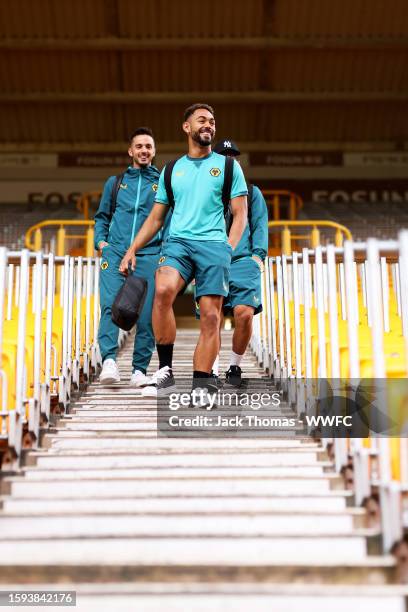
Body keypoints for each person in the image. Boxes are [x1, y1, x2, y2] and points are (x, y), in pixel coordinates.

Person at [119, 104, 248, 396]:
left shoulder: (229, 167)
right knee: (163, 291)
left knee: (211, 317)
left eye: (213, 122)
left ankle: (202, 383)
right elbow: (156, 217)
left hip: (214, 245)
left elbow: (241, 215)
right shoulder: (172, 169)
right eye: (202, 120)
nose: (209, 126)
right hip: (177, 242)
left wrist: (228, 249)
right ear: (186, 127)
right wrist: (132, 249)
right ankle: (165, 372)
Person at [95, 127, 165, 388]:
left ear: (154, 151)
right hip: (114, 252)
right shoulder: (114, 183)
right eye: (139, 146)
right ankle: (109, 361)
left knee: (147, 315)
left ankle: (139, 370)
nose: (144, 150)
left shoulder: (162, 184)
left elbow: (165, 222)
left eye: (148, 146)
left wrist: (163, 252)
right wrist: (101, 243)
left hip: (148, 254)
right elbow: (102, 216)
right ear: (130, 151)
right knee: (110, 306)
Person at [205, 139, 268, 387]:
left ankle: (234, 366)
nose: (230, 159)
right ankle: (211, 370)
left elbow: (260, 225)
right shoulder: (206, 192)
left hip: (243, 261)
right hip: (211, 260)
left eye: (234, 156)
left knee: (244, 315)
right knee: (213, 318)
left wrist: (257, 256)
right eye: (224, 156)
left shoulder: (252, 192)